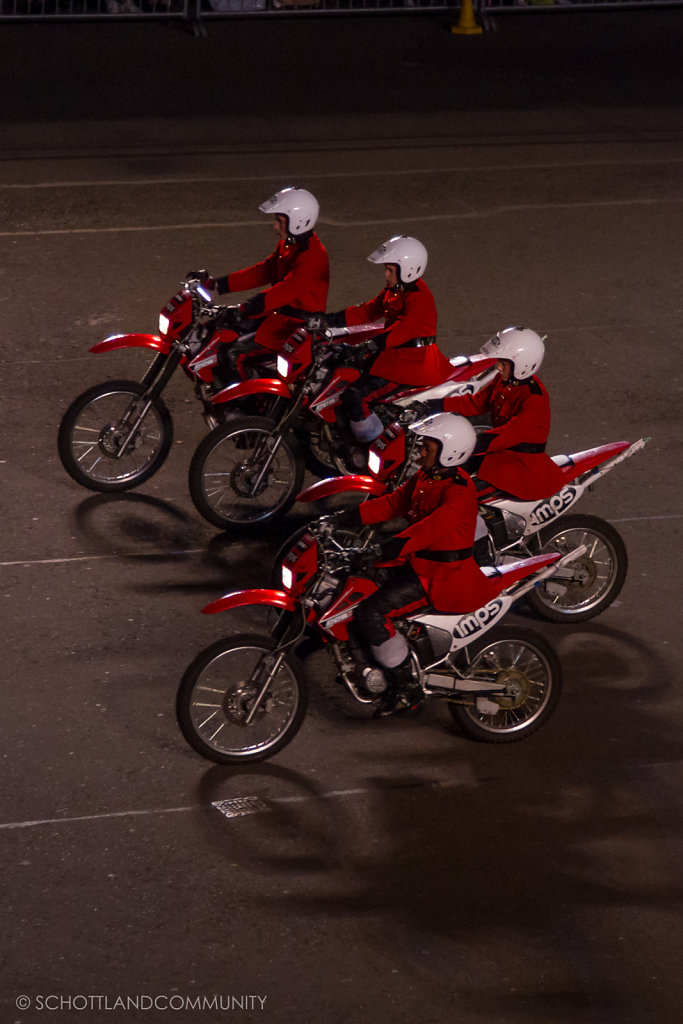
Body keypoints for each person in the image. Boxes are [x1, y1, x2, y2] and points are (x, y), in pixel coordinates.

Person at [332, 413, 501, 716]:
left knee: (371, 612)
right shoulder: (427, 477)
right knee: (359, 580)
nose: (420, 451)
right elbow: (393, 502)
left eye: (427, 447)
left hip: (444, 577)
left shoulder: (459, 492)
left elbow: (430, 530)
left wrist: (389, 547)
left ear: (450, 451)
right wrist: (350, 516)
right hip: (418, 564)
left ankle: (405, 687)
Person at [188, 186, 329, 385]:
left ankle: (236, 410)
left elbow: (285, 291)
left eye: (279, 221)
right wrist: (216, 284)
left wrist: (244, 308)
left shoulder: (313, 256)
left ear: (297, 222)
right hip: (277, 318)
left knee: (233, 354)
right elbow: (263, 271)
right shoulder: (289, 245)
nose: (275, 227)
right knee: (218, 330)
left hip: (294, 328)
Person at [326, 235, 454, 444]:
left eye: (390, 270)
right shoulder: (395, 291)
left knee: (357, 395)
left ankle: (372, 449)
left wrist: (366, 346)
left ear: (409, 269)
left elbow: (401, 331)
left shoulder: (419, 298)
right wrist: (329, 320)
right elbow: (368, 311)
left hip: (412, 364)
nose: (386, 274)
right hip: (393, 357)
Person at [427, 327, 567, 500]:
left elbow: (510, 433)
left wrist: (471, 442)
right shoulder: (504, 381)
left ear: (523, 364)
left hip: (519, 469)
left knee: (460, 496)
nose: (498, 367)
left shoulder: (534, 398)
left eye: (504, 363)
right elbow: (477, 403)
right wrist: (435, 405)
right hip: (499, 456)